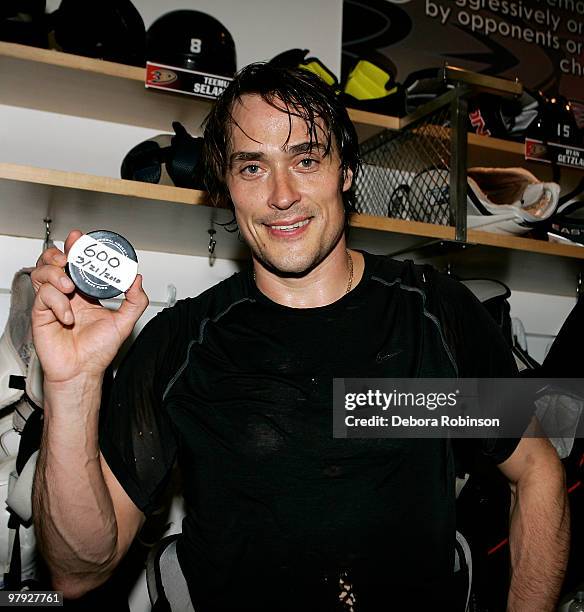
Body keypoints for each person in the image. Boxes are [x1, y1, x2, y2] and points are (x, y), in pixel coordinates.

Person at [31, 63, 569, 611]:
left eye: (306, 159)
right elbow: (79, 571)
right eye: (252, 167)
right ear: (226, 188)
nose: (281, 195)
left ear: (346, 173)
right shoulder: (180, 344)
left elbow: (536, 472)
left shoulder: (433, 315)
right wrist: (72, 384)